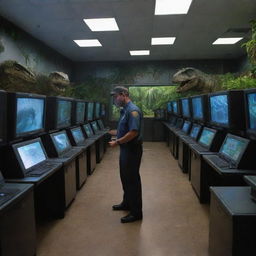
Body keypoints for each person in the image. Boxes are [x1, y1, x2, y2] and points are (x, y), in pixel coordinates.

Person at [109, 86, 143, 223]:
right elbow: (125, 130)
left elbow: (133, 132)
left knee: (132, 181)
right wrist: (114, 133)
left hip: (132, 151)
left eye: (115, 96)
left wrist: (117, 142)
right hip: (125, 150)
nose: (114, 100)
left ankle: (136, 213)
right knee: (125, 178)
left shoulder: (133, 110)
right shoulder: (124, 111)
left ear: (123, 94)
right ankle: (127, 203)